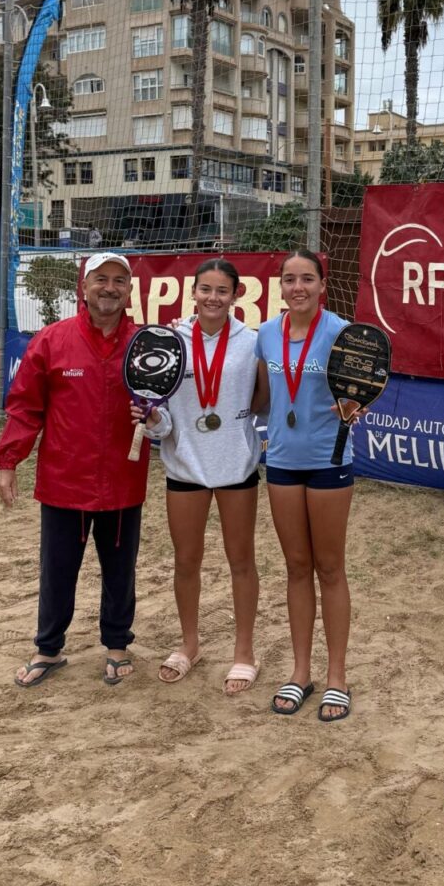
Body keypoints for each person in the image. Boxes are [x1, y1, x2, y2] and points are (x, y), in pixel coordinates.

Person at [0, 252, 149, 688]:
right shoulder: (51, 340)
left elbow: (162, 405)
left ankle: (117, 645)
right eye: (101, 279)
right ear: (84, 287)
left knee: (121, 570)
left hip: (122, 481)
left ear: (129, 291)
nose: (110, 288)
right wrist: (8, 462)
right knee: (58, 569)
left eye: (120, 281)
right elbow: (25, 407)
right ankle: (49, 649)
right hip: (64, 482)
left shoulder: (143, 344)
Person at [133, 259, 263, 695]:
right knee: (186, 561)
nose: (213, 298)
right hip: (185, 466)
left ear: (237, 295)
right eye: (205, 289)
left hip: (236, 467)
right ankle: (190, 645)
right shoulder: (172, 340)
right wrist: (153, 419)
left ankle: (244, 652)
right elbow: (165, 418)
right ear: (193, 292)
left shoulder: (253, 342)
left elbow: (263, 401)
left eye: (222, 290)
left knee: (241, 562)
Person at [253, 250, 355, 721]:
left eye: (307, 279)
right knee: (296, 567)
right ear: (281, 286)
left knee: (329, 567)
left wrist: (359, 406)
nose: (298, 287)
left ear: (321, 285)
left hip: (328, 461)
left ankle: (337, 677)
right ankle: (300, 673)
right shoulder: (268, 334)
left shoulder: (340, 331)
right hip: (283, 463)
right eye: (290, 279)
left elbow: (366, 385)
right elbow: (262, 397)